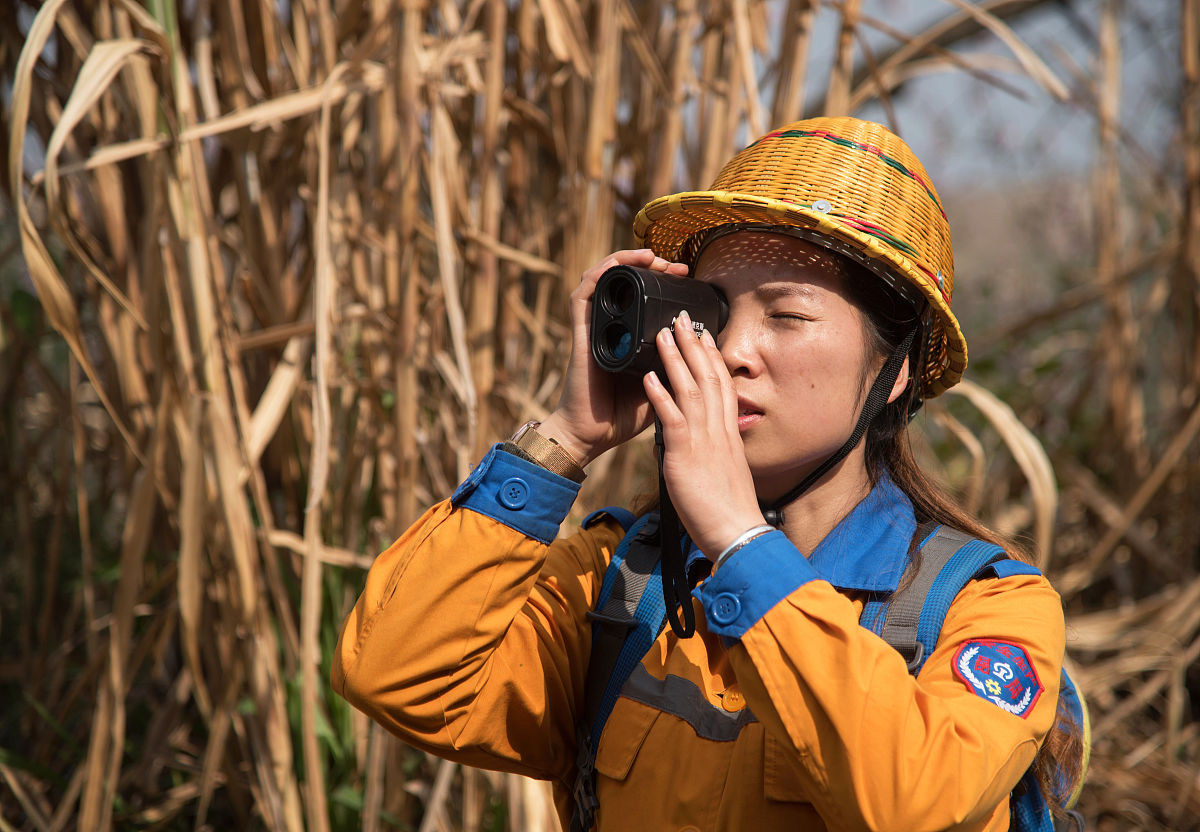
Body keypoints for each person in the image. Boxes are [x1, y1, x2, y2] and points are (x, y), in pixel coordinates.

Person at [332, 116, 1078, 831]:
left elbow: (914, 801)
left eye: (787, 317)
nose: (731, 352)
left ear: (894, 372)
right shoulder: (620, 584)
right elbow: (396, 673)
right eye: (715, 312)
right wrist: (564, 439)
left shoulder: (987, 610)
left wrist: (743, 545)